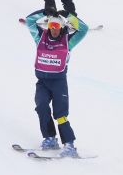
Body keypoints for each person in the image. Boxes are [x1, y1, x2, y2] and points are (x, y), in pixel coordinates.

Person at [23, 10, 90, 157]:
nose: (54, 28)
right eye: (51, 25)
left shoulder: (68, 40)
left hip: (58, 82)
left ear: (61, 27)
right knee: (41, 107)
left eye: (57, 26)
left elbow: (84, 29)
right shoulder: (39, 37)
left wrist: (68, 15)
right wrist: (45, 12)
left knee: (60, 114)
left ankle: (69, 145)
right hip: (42, 81)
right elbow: (29, 21)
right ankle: (50, 138)